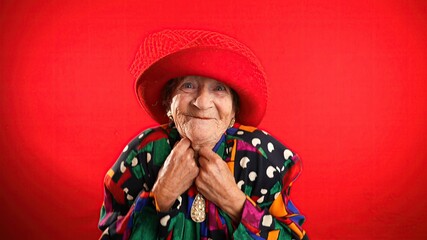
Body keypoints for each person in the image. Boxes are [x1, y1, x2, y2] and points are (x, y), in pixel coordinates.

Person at [98, 29, 307, 240]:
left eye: (219, 89)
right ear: (169, 103)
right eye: (188, 86)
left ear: (234, 109)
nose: (202, 103)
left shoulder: (261, 157)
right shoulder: (142, 153)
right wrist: (161, 195)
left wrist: (234, 202)